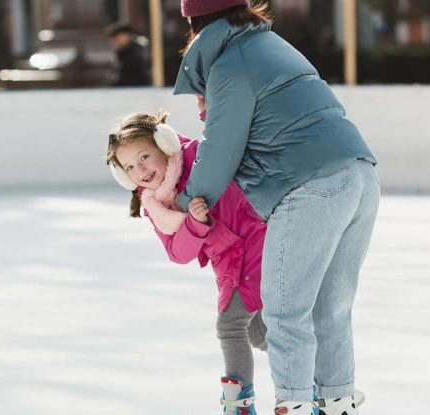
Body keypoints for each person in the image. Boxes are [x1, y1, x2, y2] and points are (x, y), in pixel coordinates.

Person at [173, 1, 379, 414]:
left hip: (310, 186)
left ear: (195, 23)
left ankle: (295, 405)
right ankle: (336, 401)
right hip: (360, 176)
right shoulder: (273, 45)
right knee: (331, 310)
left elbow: (220, 151)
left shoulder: (230, 64)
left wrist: (181, 201)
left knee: (285, 313)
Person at [106, 112, 268, 415]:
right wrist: (193, 223)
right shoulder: (155, 202)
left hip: (255, 241)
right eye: (129, 167)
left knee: (230, 326)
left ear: (163, 144)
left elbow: (230, 147)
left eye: (144, 157)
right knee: (256, 332)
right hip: (228, 261)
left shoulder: (196, 157)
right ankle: (319, 377)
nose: (139, 170)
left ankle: (238, 407)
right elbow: (178, 253)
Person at [106, 22, 152, 86]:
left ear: (126, 36)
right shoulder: (121, 53)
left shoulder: (137, 53)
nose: (113, 43)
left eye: (116, 39)